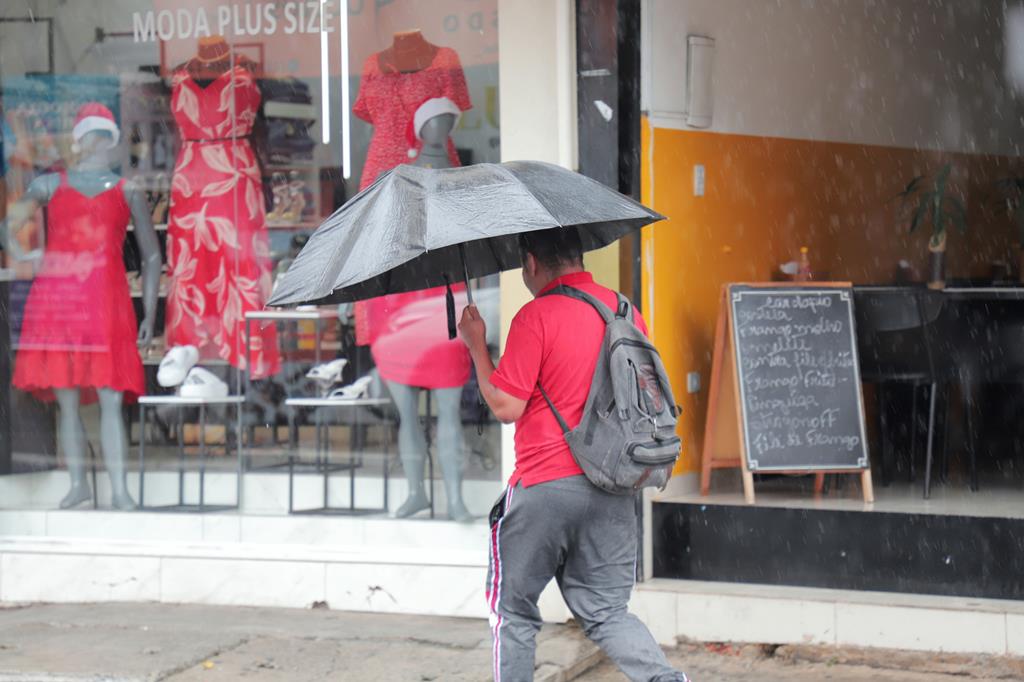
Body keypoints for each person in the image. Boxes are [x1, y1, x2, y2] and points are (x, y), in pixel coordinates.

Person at [458, 227, 689, 682]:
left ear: (531, 264)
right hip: (614, 485)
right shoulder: (625, 312)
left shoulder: (536, 316)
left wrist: (476, 346)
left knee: (513, 611)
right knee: (607, 612)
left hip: (546, 487)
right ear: (580, 257)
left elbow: (506, 406)